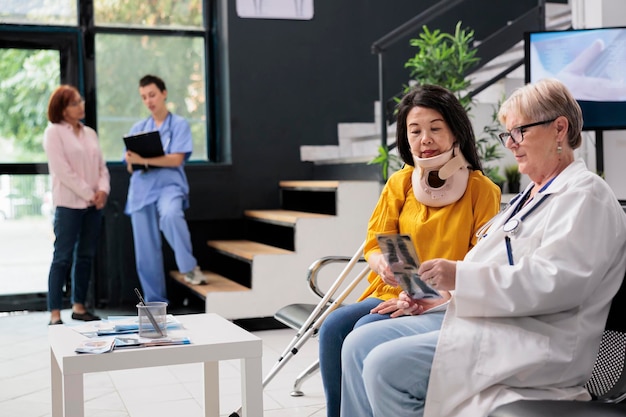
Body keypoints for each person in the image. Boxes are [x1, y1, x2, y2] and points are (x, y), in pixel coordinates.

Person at [340, 78, 626, 417]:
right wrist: (434, 298)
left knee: (384, 367)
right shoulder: (529, 197)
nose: (510, 145)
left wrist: (457, 275)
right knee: (358, 344)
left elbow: (554, 283)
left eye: (519, 132)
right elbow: (495, 269)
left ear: (559, 129)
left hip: (532, 341)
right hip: (491, 321)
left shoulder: (585, 195)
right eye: (507, 135)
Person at [318, 84, 502, 417]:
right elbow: (376, 241)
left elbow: (483, 260)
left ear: (455, 131)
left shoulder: (481, 190)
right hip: (393, 289)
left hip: (444, 298)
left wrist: (432, 294)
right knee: (333, 328)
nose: (425, 139)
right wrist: (383, 266)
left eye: (435, 128)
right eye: (414, 131)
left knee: (363, 332)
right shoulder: (401, 182)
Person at [124, 74, 206, 303]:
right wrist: (135, 160)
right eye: (143, 97)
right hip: (141, 191)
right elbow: (130, 166)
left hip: (169, 187)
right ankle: (155, 303)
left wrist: (146, 159)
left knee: (171, 215)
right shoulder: (138, 128)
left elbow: (176, 160)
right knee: (146, 252)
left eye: (152, 95)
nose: (149, 101)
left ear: (164, 93)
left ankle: (189, 267)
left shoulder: (178, 124)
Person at [43, 85, 110, 325]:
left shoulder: (90, 133)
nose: (81, 105)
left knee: (85, 256)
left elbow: (102, 167)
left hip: (93, 206)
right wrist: (88, 193)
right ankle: (54, 313)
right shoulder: (54, 133)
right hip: (68, 205)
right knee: (62, 257)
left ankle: (79, 306)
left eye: (80, 101)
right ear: (61, 109)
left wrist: (102, 190)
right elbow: (63, 171)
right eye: (74, 103)